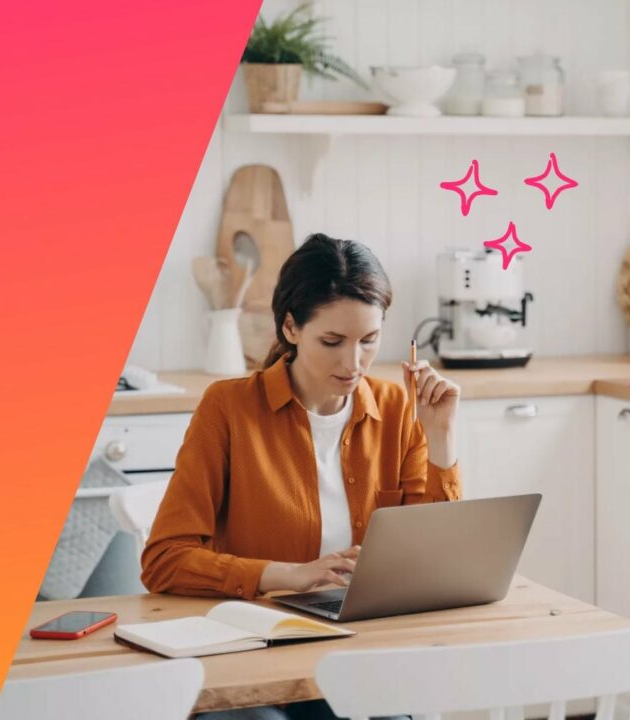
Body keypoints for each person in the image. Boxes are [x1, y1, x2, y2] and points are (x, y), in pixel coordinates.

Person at [141, 233, 462, 720]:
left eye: (369, 341)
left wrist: (440, 439)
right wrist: (286, 575)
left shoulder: (399, 409)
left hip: (361, 651)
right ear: (290, 327)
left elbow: (438, 562)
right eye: (332, 342)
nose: (352, 363)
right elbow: (165, 560)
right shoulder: (228, 409)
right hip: (251, 657)